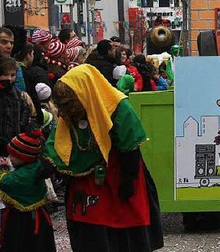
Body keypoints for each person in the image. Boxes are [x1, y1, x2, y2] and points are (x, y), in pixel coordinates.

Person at [43, 64, 163, 251]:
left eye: (70, 104)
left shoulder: (117, 106)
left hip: (119, 171)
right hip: (85, 179)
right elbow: (58, 145)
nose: (67, 111)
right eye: (63, 106)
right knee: (89, 228)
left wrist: (128, 180)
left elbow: (130, 148)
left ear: (85, 93)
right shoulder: (69, 114)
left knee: (122, 225)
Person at [0, 129, 55, 251]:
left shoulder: (24, 175)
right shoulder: (36, 164)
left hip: (22, 220)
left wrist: (2, 167)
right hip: (39, 216)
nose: (9, 158)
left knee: (23, 244)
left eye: (12, 155)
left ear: (23, 158)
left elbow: (4, 182)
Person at [0, 57, 31, 246]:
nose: (8, 78)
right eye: (5, 74)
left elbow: (25, 112)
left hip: (13, 149)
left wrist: (21, 129)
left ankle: (8, 225)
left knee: (11, 187)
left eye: (12, 75)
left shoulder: (17, 94)